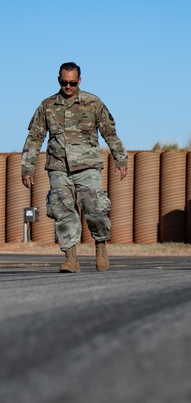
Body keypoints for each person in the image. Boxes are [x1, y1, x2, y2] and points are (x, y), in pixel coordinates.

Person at [21, 62, 128, 273]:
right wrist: (27, 168)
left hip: (87, 166)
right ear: (58, 80)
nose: (68, 87)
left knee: (95, 209)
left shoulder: (93, 103)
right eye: (64, 83)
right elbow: (34, 138)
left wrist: (120, 159)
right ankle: (71, 259)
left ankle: (100, 247)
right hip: (58, 167)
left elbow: (110, 133)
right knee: (63, 212)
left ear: (79, 80)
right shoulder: (47, 106)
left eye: (72, 83)